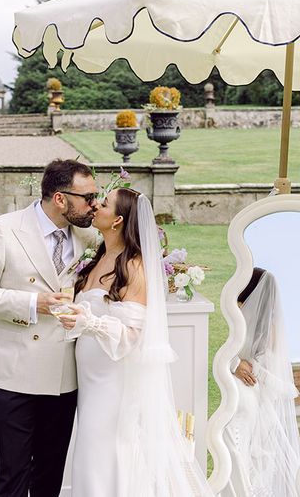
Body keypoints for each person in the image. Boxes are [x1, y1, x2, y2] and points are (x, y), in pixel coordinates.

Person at [58, 187, 213, 496]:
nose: (94, 206)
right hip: (90, 380)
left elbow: (133, 337)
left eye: (102, 204)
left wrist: (88, 322)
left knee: (106, 455)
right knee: (90, 453)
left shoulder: (134, 266)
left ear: (117, 220)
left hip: (114, 382)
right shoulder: (99, 257)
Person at [0, 159, 99, 497]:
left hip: (64, 376)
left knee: (49, 478)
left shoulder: (90, 236)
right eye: (88, 197)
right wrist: (31, 304)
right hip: (14, 375)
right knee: (12, 477)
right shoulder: (3, 229)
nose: (95, 204)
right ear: (60, 199)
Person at [221, 268, 300, 497]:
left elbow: (276, 377)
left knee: (237, 453)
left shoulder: (243, 321)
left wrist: (245, 366)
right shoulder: (248, 321)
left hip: (244, 396)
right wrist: (236, 364)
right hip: (244, 396)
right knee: (242, 456)